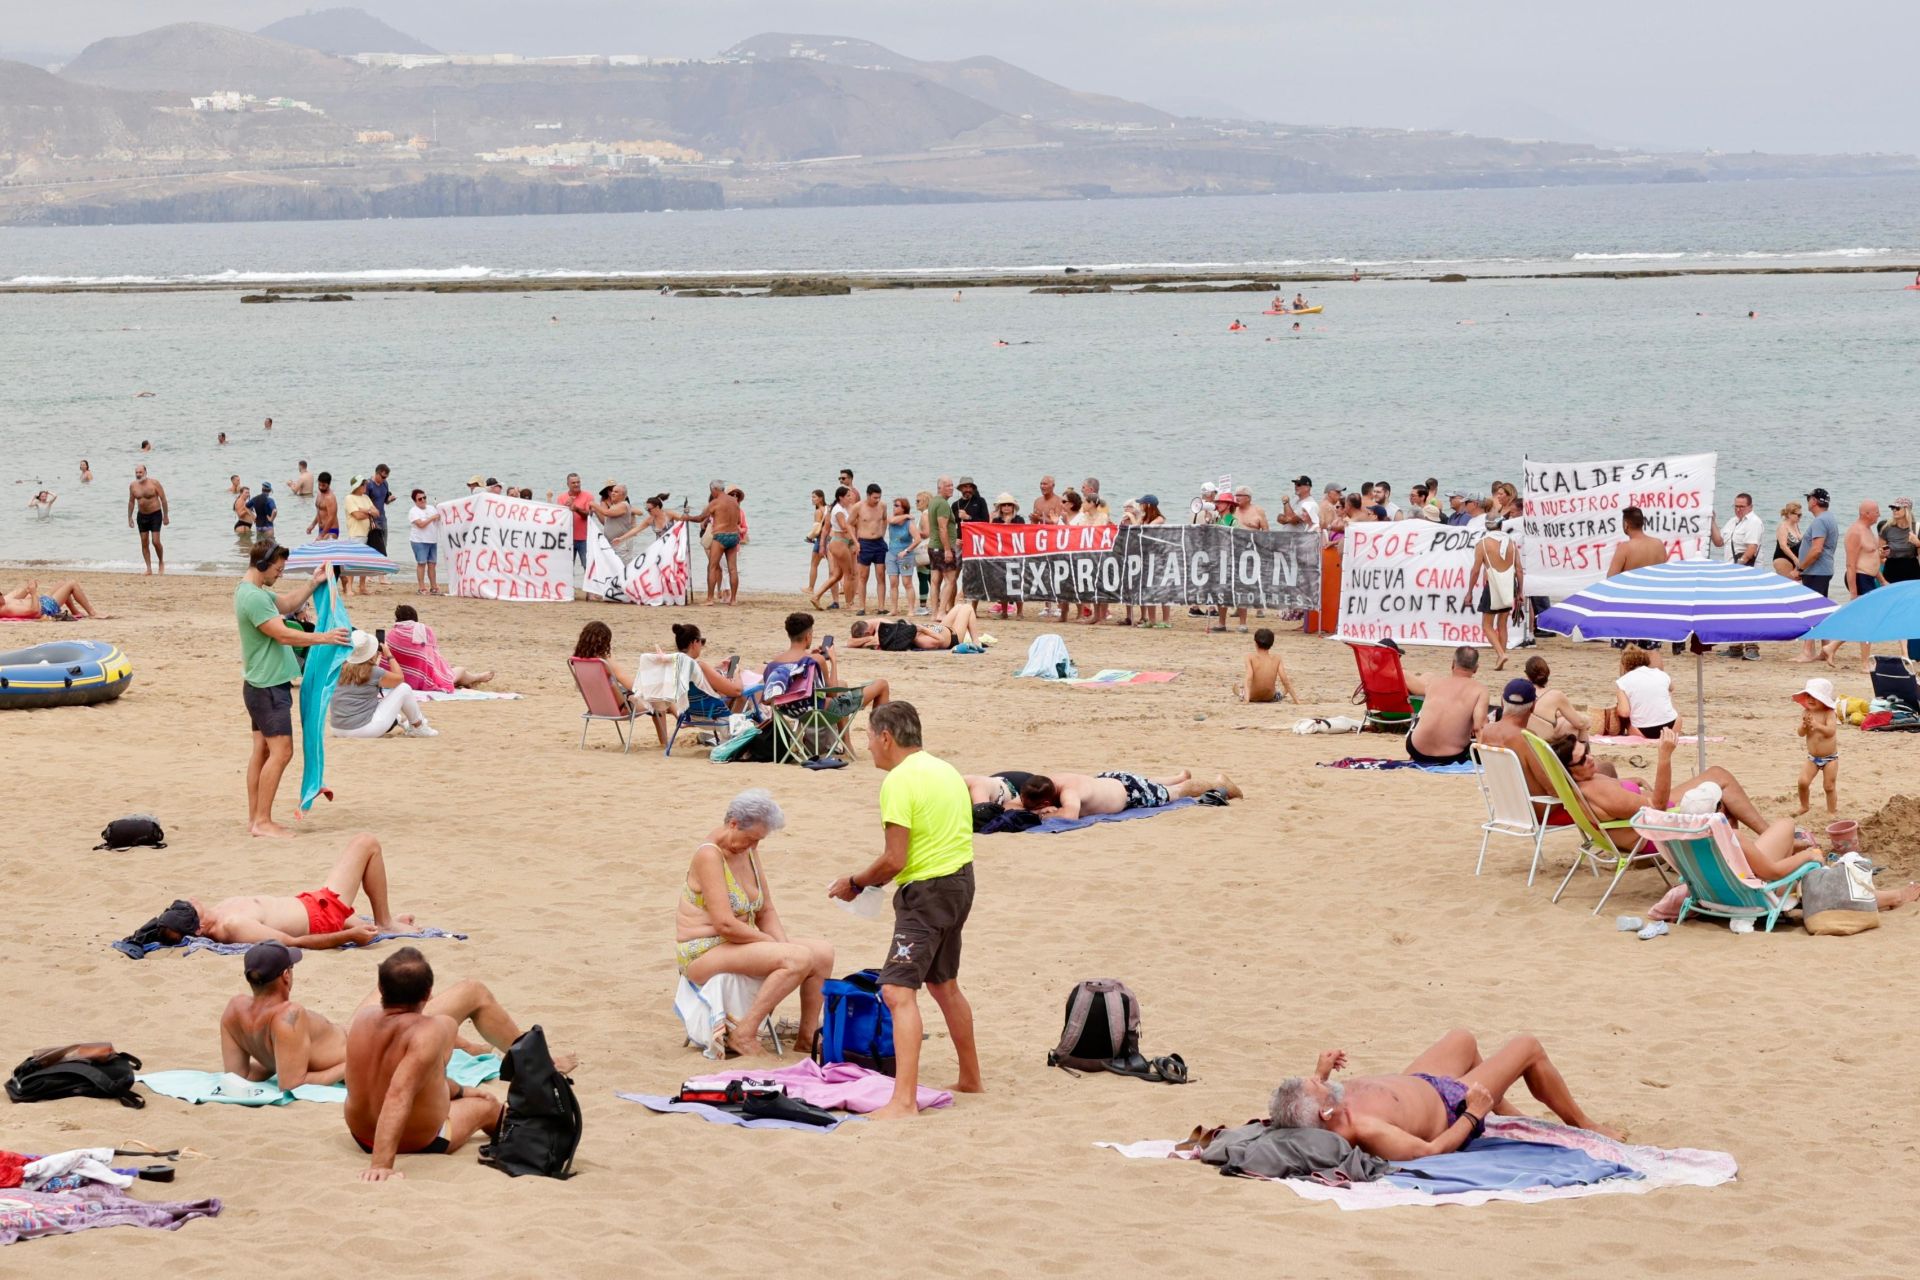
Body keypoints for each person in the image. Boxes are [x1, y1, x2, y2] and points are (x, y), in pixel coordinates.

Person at [826, 702, 982, 1119]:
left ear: (886, 737)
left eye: (868, 737)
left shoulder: (898, 782)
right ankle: (971, 1078)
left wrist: (855, 882)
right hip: (960, 882)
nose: (869, 747)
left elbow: (895, 859)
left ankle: (903, 1101)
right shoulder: (945, 769)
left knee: (897, 991)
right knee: (945, 984)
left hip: (928, 892)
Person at [220, 939, 569, 1091]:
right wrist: (350, 1066)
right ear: (285, 976)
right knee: (472, 991)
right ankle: (540, 1063)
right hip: (369, 1042)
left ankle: (472, 1048)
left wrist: (278, 1057)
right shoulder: (289, 1016)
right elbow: (291, 1083)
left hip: (356, 1031)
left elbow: (240, 1076)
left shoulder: (236, 1010)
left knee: (393, 976)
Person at [1267, 1029, 1623, 1161]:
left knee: (1462, 1039)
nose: (1324, 1081)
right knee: (1527, 1046)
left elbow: (1302, 1109)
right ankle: (1581, 1122)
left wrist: (1320, 1073)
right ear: (1326, 1113)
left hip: (1416, 1084)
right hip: (1450, 1105)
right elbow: (1431, 1150)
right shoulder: (1368, 1128)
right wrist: (1474, 1113)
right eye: (1322, 1086)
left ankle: (1507, 1116)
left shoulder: (1318, 1113)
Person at [676, 790, 834, 1057]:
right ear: (733, 823)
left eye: (758, 840)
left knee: (821, 953)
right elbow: (725, 924)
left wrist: (782, 946)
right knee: (796, 959)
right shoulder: (709, 855)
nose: (753, 846)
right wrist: (775, 946)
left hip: (738, 941)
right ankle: (744, 1033)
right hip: (703, 949)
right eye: (750, 839)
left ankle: (807, 1037)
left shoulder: (747, 850)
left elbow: (766, 910)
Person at [346, 949, 503, 1180]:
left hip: (360, 1134)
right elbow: (398, 1094)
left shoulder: (362, 1019)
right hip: (417, 1141)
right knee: (489, 1106)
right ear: (428, 994)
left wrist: (461, 1091)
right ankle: (514, 1128)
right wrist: (381, 1164)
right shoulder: (433, 1030)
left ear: (380, 988)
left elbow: (424, 1081)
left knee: (464, 1091)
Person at [236, 543, 349, 837]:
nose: (280, 574)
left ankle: (255, 819)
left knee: (261, 751)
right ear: (262, 564)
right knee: (282, 752)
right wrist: (326, 637)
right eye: (277, 569)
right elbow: (284, 635)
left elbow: (285, 604)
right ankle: (262, 821)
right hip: (268, 687)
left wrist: (313, 582)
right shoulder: (253, 598)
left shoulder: (254, 592)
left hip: (258, 683)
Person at [149, 832, 414, 950]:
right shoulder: (233, 925)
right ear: (197, 929)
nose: (192, 900)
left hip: (314, 904)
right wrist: (349, 935)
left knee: (360, 853)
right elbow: (293, 942)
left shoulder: (216, 915)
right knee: (366, 843)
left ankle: (385, 923)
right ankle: (385, 922)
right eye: (189, 908)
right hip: (323, 916)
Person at [767, 611, 890, 713]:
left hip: (792, 712)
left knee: (842, 685)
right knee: (882, 684)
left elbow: (768, 698)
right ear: (808, 636)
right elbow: (832, 694)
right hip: (820, 712)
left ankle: (846, 742)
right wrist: (833, 661)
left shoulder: (774, 663)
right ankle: (878, 734)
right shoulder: (816, 660)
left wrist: (810, 655)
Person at [330, 630, 437, 740]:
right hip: (361, 730)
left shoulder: (339, 668)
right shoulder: (373, 671)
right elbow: (400, 679)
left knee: (382, 705)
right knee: (404, 689)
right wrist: (389, 655)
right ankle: (418, 727)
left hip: (337, 728)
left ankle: (402, 721)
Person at [1011, 768, 1241, 817]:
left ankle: (1221, 784)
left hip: (1128, 792)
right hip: (1110, 781)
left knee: (1176, 793)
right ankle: (1177, 775)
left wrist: (1044, 814)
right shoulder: (1040, 784)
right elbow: (1010, 804)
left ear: (1050, 799)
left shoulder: (1069, 793)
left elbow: (1069, 816)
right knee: (1152, 784)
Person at [1405, 646, 1488, 766]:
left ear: (1453, 664)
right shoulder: (1481, 690)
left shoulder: (1434, 683)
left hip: (1416, 750)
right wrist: (1484, 759)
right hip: (1450, 756)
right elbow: (1479, 728)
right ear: (1476, 668)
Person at [669, 481, 745, 606]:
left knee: (712, 567)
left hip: (720, 536)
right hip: (733, 536)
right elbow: (738, 520)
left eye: (711, 491)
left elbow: (700, 518)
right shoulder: (735, 502)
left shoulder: (714, 502)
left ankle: (710, 599)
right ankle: (733, 600)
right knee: (733, 569)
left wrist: (688, 517)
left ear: (714, 489)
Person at [387, 604, 492, 692]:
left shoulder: (391, 635)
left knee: (452, 674)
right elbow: (434, 656)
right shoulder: (424, 631)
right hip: (421, 680)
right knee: (459, 671)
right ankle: (477, 677)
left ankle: (471, 680)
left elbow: (384, 661)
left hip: (397, 680)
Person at [1793, 487, 1839, 663]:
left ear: (1814, 501)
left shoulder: (1820, 521)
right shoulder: (1829, 518)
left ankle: (1807, 651)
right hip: (1821, 570)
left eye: (1809, 499)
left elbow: (1817, 549)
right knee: (1819, 610)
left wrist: (1800, 568)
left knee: (1810, 610)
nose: (1808, 502)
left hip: (1816, 571)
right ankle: (1825, 648)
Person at [1469, 514, 1521, 669]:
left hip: (1492, 585)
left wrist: (1469, 591)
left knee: (1487, 624)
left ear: (1486, 526)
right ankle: (1501, 658)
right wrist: (1520, 592)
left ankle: (1501, 654)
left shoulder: (1483, 544)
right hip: (1509, 584)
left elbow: (1475, 571)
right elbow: (1519, 569)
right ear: (1501, 525)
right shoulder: (1511, 543)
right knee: (1503, 623)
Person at [1842, 500, 1884, 672]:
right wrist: (1853, 592)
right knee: (1868, 621)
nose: (1879, 515)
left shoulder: (1868, 530)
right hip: (1860, 578)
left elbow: (1872, 558)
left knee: (1868, 620)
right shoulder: (1855, 532)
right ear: (1866, 513)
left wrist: (1882, 580)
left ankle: (1830, 648)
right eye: (1876, 512)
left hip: (1870, 578)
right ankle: (1865, 662)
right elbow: (1850, 564)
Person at [848, 601, 985, 651]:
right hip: (953, 635)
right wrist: (922, 629)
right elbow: (941, 641)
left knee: (959, 606)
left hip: (942, 627)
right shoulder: (919, 639)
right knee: (967, 607)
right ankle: (976, 641)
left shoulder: (901, 632)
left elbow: (850, 642)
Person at [1794, 677, 1840, 818]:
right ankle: (1804, 806)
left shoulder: (1828, 713)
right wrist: (1804, 726)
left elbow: (1831, 732)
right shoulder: (1806, 713)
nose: (1811, 700)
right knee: (1803, 782)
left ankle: (1831, 811)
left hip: (1830, 758)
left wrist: (1817, 725)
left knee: (1829, 786)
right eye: (1808, 696)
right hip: (1812, 758)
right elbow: (1801, 734)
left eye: (1815, 697)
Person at [1613, 646, 1678, 737]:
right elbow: (1672, 688)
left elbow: (1624, 712)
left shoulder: (1622, 682)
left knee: (1624, 714)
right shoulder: (1660, 674)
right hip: (1671, 725)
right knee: (1671, 704)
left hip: (1642, 730)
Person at [1522, 656, 1588, 740]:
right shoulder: (1556, 695)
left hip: (1523, 737)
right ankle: (1585, 752)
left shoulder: (1519, 691)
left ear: (1527, 674)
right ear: (1547, 673)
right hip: (1544, 741)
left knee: (1562, 720)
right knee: (1581, 725)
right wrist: (1586, 721)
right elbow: (1580, 723)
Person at [811, 485, 855, 610]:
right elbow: (844, 526)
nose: (850, 497)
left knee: (836, 575)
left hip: (836, 542)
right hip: (840, 542)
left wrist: (822, 545)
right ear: (841, 497)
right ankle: (849, 603)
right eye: (848, 495)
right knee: (849, 574)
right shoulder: (839, 510)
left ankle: (816, 596)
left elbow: (827, 528)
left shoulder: (836, 508)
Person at [573, 620, 637, 699]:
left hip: (595, 705)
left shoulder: (578, 661)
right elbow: (632, 686)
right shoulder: (604, 661)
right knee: (650, 701)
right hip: (620, 708)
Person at [852, 484, 889, 614]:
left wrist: (882, 534)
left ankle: (881, 607)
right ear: (868, 495)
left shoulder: (883, 505)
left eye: (879, 497)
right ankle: (862, 607)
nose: (877, 500)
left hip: (879, 543)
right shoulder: (858, 507)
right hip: (864, 543)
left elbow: (885, 520)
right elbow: (848, 523)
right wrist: (856, 542)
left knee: (881, 575)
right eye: (874, 498)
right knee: (863, 576)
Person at [1237, 628, 1298, 703]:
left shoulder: (1249, 657)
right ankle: (1282, 693)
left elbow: (1249, 678)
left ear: (1256, 643)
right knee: (1280, 692)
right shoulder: (1277, 658)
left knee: (1242, 691)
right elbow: (1285, 680)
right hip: (1269, 697)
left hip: (1252, 697)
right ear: (1271, 644)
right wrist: (1296, 700)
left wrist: (1246, 700)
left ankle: (1240, 693)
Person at [127, 464, 168, 574]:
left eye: (140, 472)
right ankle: (149, 569)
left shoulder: (154, 483)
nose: (138, 475)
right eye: (136, 472)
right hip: (142, 516)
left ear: (145, 472)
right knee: (144, 542)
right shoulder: (133, 486)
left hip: (155, 514)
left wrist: (166, 516)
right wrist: (129, 517)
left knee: (155, 541)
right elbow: (131, 502)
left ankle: (161, 562)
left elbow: (163, 499)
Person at [926, 477, 959, 615]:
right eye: (947, 486)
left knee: (935, 581)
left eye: (952, 485)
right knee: (950, 580)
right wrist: (947, 550)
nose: (951, 488)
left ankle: (934, 613)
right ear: (939, 487)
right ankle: (940, 611)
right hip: (941, 547)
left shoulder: (933, 501)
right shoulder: (943, 505)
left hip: (933, 546)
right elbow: (942, 528)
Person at [1605, 505, 1668, 578]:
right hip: (1656, 588)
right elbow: (1664, 573)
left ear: (1626, 524)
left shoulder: (1625, 547)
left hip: (1632, 589)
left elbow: (1610, 578)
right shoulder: (1659, 544)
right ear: (1642, 523)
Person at [549, 472, 593, 571]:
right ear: (568, 484)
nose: (576, 484)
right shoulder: (561, 497)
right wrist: (566, 507)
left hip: (584, 538)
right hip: (567, 538)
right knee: (567, 567)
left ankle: (589, 586)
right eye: (573, 483)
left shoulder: (588, 496)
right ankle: (569, 586)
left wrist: (576, 509)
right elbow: (558, 517)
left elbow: (589, 515)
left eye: (578, 482)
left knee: (587, 566)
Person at [0, 580, 105, 620]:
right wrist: (33, 592)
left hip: (42, 601)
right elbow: (34, 611)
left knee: (61, 583)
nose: (2, 596)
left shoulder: (4, 602)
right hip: (46, 607)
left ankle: (75, 611)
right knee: (72, 584)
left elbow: (17, 599)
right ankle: (92, 613)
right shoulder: (6, 609)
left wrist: (27, 589)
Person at [886, 496, 918, 615]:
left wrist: (906, 551)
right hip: (891, 554)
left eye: (897, 505)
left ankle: (911, 609)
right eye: (894, 505)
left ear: (904, 508)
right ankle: (894, 609)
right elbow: (892, 521)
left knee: (907, 583)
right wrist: (905, 515)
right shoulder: (891, 518)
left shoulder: (909, 523)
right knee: (893, 582)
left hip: (905, 557)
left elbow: (917, 539)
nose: (894, 508)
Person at [406, 489, 441, 595]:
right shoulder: (413, 511)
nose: (423, 500)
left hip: (432, 540)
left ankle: (434, 586)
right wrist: (432, 518)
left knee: (432, 564)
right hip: (419, 540)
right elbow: (420, 524)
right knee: (421, 563)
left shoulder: (431, 508)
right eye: (420, 499)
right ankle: (421, 587)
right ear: (415, 501)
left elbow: (439, 518)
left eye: (424, 498)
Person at [363, 464, 395, 558]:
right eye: (383, 477)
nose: (384, 479)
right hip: (372, 520)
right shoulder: (368, 485)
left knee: (384, 546)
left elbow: (385, 500)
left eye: (386, 477)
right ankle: (372, 567)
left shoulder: (385, 483)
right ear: (377, 473)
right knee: (374, 546)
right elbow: (364, 502)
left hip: (383, 519)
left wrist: (389, 500)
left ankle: (382, 568)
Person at [805, 489, 829, 597]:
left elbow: (816, 529)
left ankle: (811, 587)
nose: (812, 499)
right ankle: (841, 586)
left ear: (820, 498)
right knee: (834, 566)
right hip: (830, 539)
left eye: (814, 497)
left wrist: (809, 537)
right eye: (812, 497)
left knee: (814, 564)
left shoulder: (818, 511)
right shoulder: (828, 509)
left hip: (820, 540)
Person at [309, 472, 339, 540]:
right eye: (319, 484)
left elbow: (332, 517)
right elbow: (320, 512)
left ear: (329, 484)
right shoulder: (319, 494)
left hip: (331, 530)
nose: (321, 487)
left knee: (322, 544)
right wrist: (312, 525)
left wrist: (322, 535)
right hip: (321, 529)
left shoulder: (330, 497)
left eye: (323, 485)